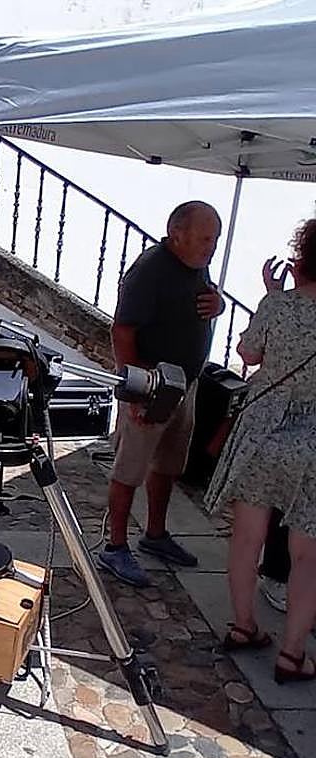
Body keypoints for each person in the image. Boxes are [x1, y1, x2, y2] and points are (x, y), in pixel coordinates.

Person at [205, 218, 316, 683]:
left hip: (261, 431)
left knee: (247, 539)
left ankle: (244, 626)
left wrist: (272, 295)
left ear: (300, 259)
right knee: (307, 556)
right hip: (312, 439)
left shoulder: (279, 304)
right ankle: (293, 655)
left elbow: (248, 355)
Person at [98, 201, 226, 587]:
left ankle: (155, 535)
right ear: (177, 233)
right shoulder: (149, 270)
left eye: (215, 240)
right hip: (151, 386)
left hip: (185, 383)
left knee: (169, 463)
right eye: (205, 239)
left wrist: (217, 302)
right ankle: (114, 547)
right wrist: (136, 391)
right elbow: (122, 331)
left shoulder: (194, 264)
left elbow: (200, 298)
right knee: (130, 467)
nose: (211, 248)